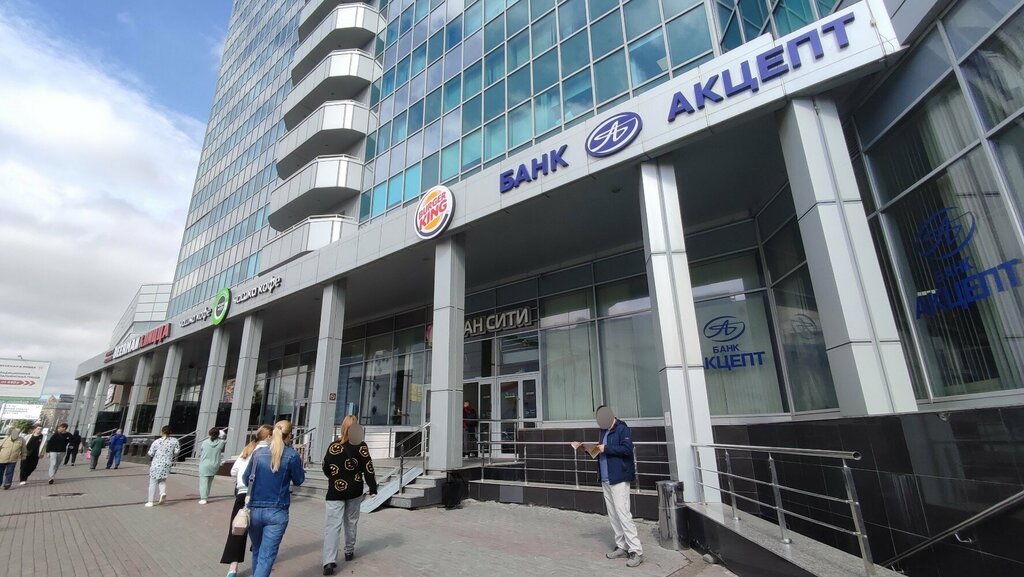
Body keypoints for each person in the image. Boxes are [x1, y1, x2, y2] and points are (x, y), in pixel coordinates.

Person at [571, 405, 643, 568]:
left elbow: (627, 449)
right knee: (613, 514)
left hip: (619, 478)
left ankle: (636, 550)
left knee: (623, 513)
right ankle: (621, 546)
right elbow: (598, 451)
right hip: (605, 478)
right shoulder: (603, 431)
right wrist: (584, 448)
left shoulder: (622, 428)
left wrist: (606, 448)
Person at [243, 420, 305, 577]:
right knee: (266, 556)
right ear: (289, 435)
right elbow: (299, 480)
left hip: (254, 509)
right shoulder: (292, 455)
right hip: (277, 511)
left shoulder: (258, 454)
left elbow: (245, 479)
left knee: (258, 551)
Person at [321, 416, 378, 575]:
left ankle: (329, 561)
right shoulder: (361, 446)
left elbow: (325, 466)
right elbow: (368, 468)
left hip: (335, 492)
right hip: (354, 489)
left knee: (332, 526)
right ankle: (348, 551)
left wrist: (334, 477)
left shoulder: (334, 446)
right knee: (351, 521)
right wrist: (372, 487)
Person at [221, 425, 273, 577]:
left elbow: (233, 471)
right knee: (261, 529)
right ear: (269, 437)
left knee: (238, 529)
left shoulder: (248, 449)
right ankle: (260, 563)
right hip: (259, 495)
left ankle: (232, 568)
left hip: (242, 494)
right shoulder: (268, 452)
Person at [145, 425, 180, 507]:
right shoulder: (175, 441)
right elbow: (176, 452)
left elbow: (151, 453)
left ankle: (150, 501)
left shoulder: (157, 441)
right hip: (166, 464)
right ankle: (162, 493)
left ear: (162, 432)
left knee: (153, 482)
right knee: (162, 480)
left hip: (156, 464)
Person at [198, 426, 226, 504]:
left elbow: (202, 449)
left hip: (204, 464)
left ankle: (203, 498)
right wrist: (220, 435)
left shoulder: (205, 442)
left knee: (203, 482)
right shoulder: (221, 443)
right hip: (214, 465)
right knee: (209, 482)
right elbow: (224, 438)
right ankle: (206, 496)